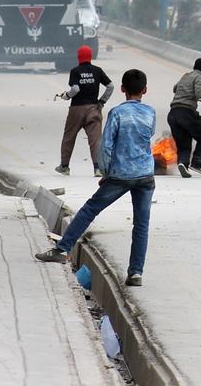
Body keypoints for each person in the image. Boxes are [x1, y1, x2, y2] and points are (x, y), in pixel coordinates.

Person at [36, 69, 156, 287]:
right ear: (145, 90)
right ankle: (136, 273)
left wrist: (105, 173)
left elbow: (107, 146)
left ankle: (61, 249)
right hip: (146, 175)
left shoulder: (117, 113)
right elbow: (147, 138)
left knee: (91, 209)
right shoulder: (151, 112)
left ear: (122, 89)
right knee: (141, 224)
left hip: (120, 174)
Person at [54, 45, 113, 177]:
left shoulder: (76, 71)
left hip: (77, 109)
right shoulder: (97, 71)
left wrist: (66, 96)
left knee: (69, 137)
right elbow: (110, 86)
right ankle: (98, 168)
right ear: (90, 56)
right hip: (94, 108)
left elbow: (75, 89)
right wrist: (102, 101)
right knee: (96, 140)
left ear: (79, 57)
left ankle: (64, 166)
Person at [167, 57, 201, 178]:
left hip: (173, 114)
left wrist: (191, 95)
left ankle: (183, 164)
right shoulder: (199, 77)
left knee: (184, 143)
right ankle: (196, 164)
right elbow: (199, 92)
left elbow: (175, 88)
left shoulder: (186, 76)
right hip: (186, 112)